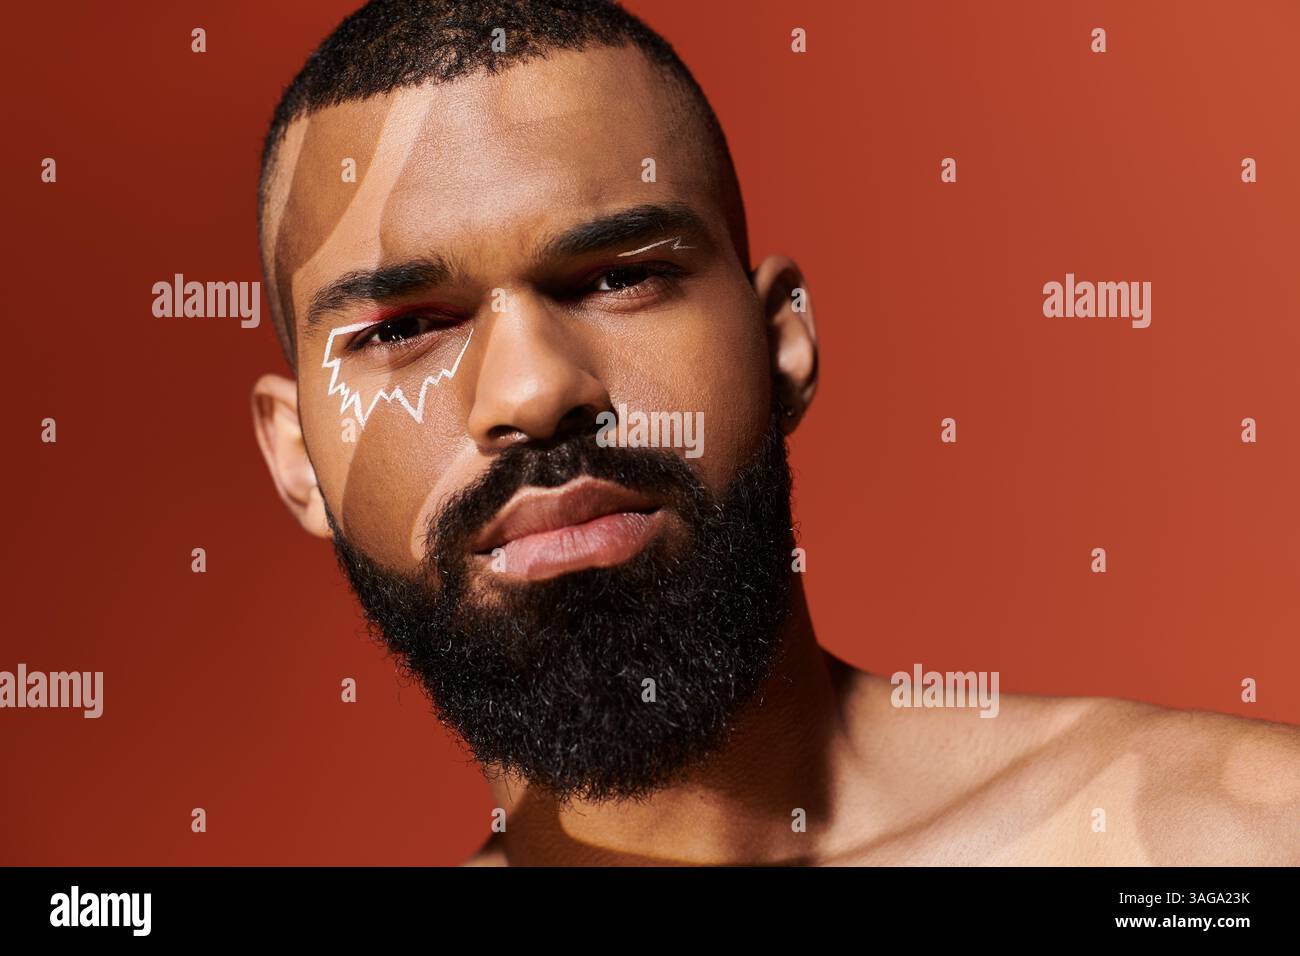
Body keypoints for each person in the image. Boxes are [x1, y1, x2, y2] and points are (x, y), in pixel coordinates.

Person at [250, 0, 1300, 865]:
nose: (530, 391)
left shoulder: (1230, 845)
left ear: (782, 341)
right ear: (297, 458)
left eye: (620, 276)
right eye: (408, 327)